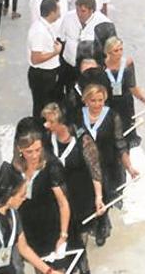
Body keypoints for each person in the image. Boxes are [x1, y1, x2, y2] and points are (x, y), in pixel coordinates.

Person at [0, 162, 65, 274]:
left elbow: (23, 248)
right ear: (8, 196)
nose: (24, 198)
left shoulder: (14, 215)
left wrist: (49, 271)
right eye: (21, 195)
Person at [41, 103, 103, 274]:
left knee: (78, 240)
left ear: (61, 122)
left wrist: (98, 197)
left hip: (80, 197)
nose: (46, 125)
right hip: (59, 198)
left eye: (50, 121)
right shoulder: (47, 138)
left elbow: (95, 169)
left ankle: (82, 269)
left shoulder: (82, 139)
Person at [79, 84, 139, 246]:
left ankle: (101, 227)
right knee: (85, 199)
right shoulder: (78, 117)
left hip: (107, 167)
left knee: (103, 199)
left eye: (100, 100)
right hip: (83, 168)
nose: (97, 104)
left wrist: (129, 167)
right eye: (93, 100)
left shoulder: (112, 116)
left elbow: (120, 144)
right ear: (85, 100)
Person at [11, 118, 71, 265]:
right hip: (28, 228)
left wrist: (62, 236)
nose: (34, 156)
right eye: (29, 152)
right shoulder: (15, 167)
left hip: (51, 227)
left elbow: (63, 203)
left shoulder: (52, 167)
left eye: (38, 150)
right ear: (19, 149)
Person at [103, 37, 145, 149]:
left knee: (126, 128)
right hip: (109, 102)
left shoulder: (127, 63)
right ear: (108, 52)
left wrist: (144, 99)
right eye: (116, 51)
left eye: (121, 49)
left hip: (125, 102)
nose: (120, 53)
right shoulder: (102, 66)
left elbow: (132, 86)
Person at [28, 0, 62, 122]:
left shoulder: (46, 26)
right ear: (52, 12)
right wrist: (55, 52)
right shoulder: (39, 31)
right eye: (58, 10)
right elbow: (36, 58)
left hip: (48, 72)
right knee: (41, 106)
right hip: (42, 74)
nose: (60, 13)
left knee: (46, 105)